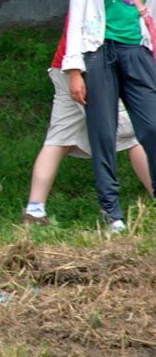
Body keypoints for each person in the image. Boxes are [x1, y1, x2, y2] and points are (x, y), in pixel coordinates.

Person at [63, 0, 156, 234]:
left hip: (137, 51)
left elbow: (152, 13)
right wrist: (74, 70)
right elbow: (75, 17)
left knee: (151, 126)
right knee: (103, 133)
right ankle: (111, 212)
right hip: (98, 52)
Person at [23, 16, 152, 226]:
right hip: (92, 67)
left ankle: (35, 210)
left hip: (65, 66)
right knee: (134, 133)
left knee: (58, 139)